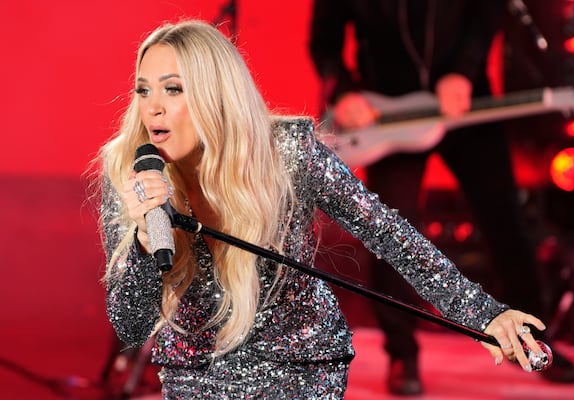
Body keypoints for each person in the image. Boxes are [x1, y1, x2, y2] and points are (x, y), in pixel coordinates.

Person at [92, 19, 549, 399]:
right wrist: (144, 240)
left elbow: (388, 234)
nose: (153, 108)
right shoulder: (131, 174)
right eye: (142, 90)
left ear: (215, 93)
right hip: (195, 373)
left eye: (173, 89)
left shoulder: (288, 152)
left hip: (299, 366)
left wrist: (483, 313)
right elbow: (131, 325)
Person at [309, 0, 574, 395]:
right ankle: (402, 353)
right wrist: (345, 91)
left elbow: (486, 13)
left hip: (461, 101)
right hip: (388, 111)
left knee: (506, 221)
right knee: (389, 234)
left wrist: (463, 71)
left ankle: (535, 341)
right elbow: (324, 43)